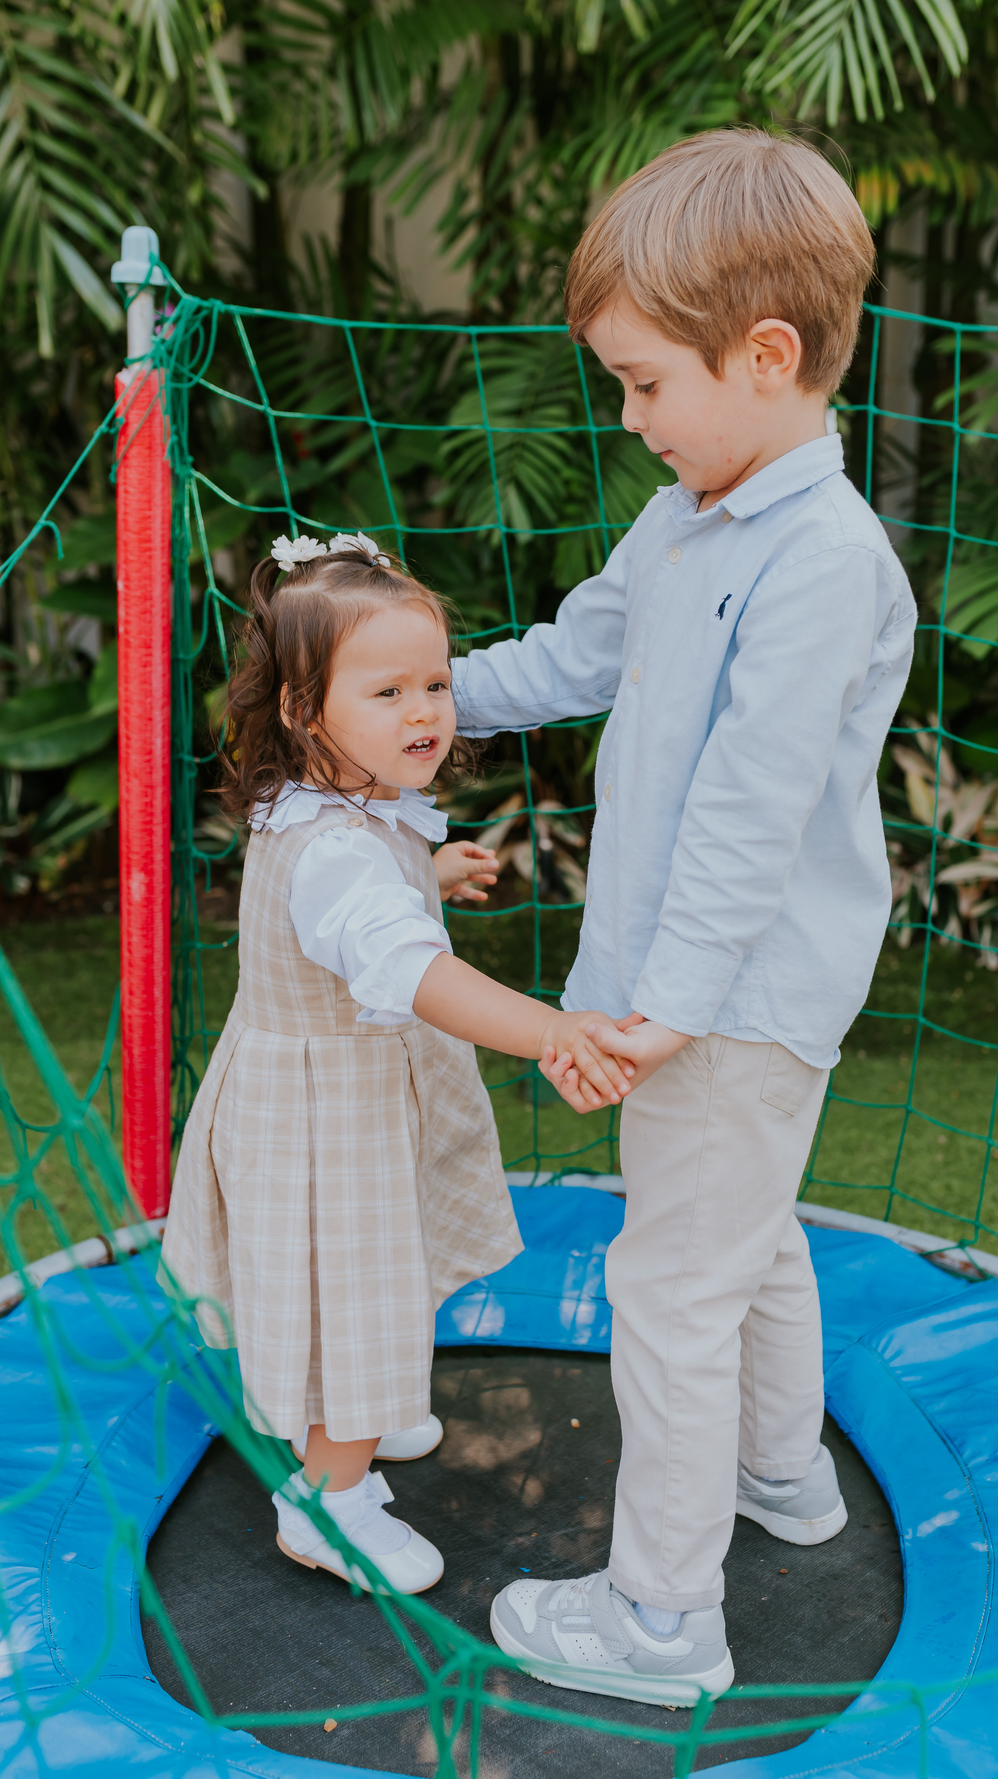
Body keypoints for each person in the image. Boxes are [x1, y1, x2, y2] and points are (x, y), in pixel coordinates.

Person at [454, 129, 917, 1704]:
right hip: (701, 991)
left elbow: (752, 809)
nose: (631, 416)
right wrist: (418, 705)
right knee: (744, 1234)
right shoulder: (696, 518)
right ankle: (782, 1477)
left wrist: (665, 1003)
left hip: (728, 998)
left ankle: (661, 1624)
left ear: (767, 356)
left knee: (668, 1283)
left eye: (646, 383)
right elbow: (578, 651)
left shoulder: (822, 561)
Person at [159, 533, 633, 1597]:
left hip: (344, 1099)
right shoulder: (335, 854)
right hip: (331, 1120)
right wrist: (552, 1030)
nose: (425, 712)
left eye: (435, 683)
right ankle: (330, 1497)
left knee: (380, 1273)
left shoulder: (336, 813)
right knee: (347, 1304)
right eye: (387, 691)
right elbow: (412, 971)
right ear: (300, 709)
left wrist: (427, 867)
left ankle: (363, 1424)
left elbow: (372, 900)